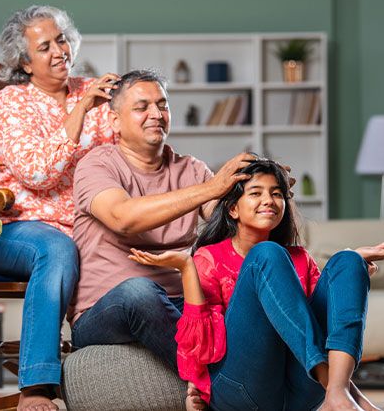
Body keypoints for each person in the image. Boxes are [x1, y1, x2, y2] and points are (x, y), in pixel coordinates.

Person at [129, 158, 384, 411]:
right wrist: (187, 267)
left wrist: (350, 268)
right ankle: (343, 392)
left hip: (300, 392)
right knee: (267, 254)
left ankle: (337, 392)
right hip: (242, 388)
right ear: (233, 209)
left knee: (348, 260)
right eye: (256, 193)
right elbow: (200, 346)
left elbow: (318, 321)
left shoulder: (299, 258)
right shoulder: (210, 258)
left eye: (277, 193)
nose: (269, 200)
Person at [70, 69, 257, 372]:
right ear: (115, 121)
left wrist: (263, 191)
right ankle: (218, 385)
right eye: (142, 107)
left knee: (243, 292)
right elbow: (123, 218)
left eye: (163, 104)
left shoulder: (191, 169)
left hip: (182, 301)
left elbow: (226, 222)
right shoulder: (97, 163)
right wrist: (212, 187)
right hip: (105, 310)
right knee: (139, 291)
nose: (156, 114)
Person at [0, 5, 120, 411]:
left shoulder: (95, 89)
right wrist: (80, 111)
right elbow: (38, 173)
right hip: (19, 229)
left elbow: (129, 155)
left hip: (85, 227)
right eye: (44, 46)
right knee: (57, 251)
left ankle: (112, 379)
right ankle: (37, 385)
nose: (59, 50)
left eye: (61, 39)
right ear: (24, 62)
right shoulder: (12, 102)